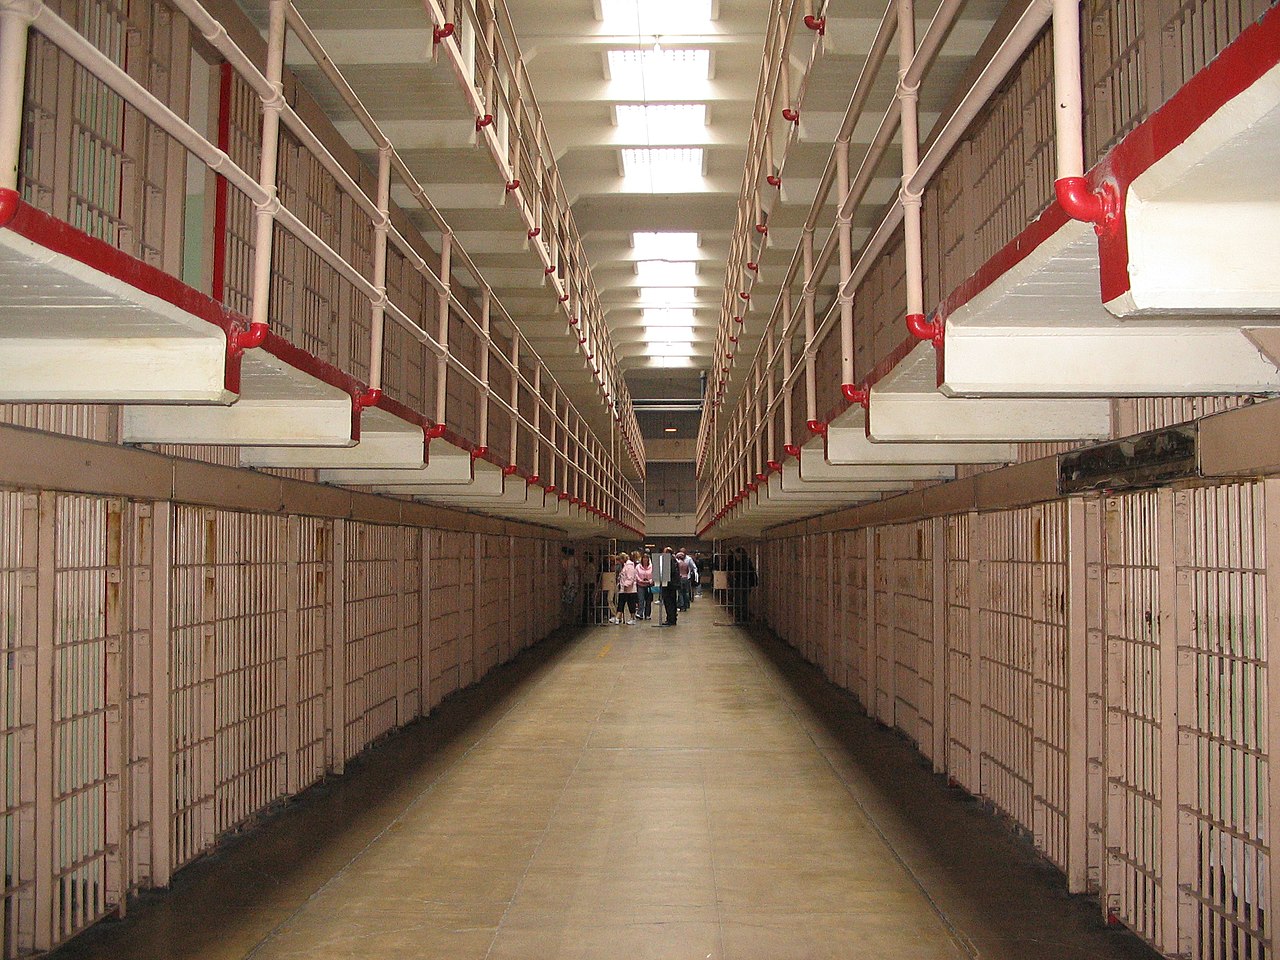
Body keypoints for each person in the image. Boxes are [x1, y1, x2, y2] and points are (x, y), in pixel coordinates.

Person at [659, 546, 679, 626]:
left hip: (668, 584)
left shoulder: (669, 560)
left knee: (668, 602)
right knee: (673, 602)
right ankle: (673, 618)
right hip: (673, 584)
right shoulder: (674, 560)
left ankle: (670, 619)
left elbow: (669, 572)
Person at [634, 551, 654, 620]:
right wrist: (640, 580)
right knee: (641, 600)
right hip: (640, 585)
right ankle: (640, 613)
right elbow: (636, 575)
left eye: (646, 559)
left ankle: (647, 615)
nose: (645, 560)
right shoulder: (638, 567)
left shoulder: (652, 567)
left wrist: (650, 581)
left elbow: (654, 575)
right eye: (644, 558)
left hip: (649, 586)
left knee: (648, 601)